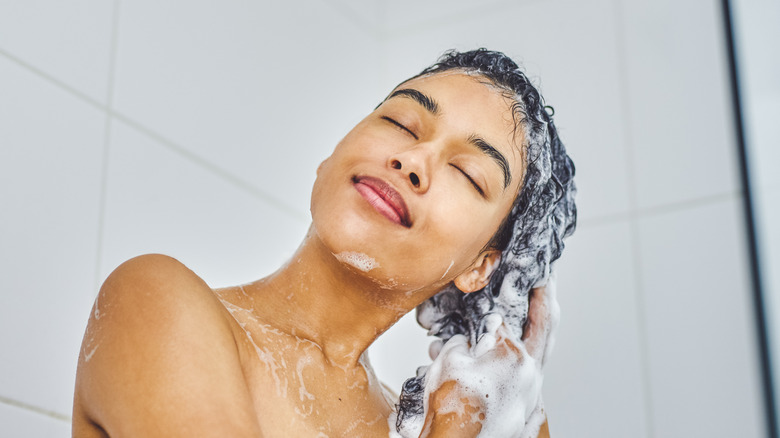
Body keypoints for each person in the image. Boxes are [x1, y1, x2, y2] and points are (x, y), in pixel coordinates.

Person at [72, 49, 576, 437]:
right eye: (400, 123)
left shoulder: (424, 425)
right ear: (332, 157)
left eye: (467, 172)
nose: (412, 160)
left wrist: (511, 413)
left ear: (479, 267)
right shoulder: (156, 303)